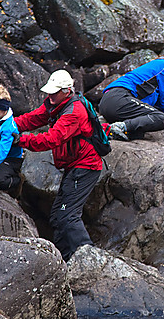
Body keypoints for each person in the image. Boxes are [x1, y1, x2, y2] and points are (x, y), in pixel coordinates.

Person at [15, 70, 102, 261]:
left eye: (54, 92)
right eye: (49, 92)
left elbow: (51, 139)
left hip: (86, 167)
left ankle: (89, 258)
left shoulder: (74, 113)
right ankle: (66, 259)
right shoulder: (56, 104)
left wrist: (21, 140)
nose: (49, 96)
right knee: (58, 216)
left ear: (67, 90)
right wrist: (8, 125)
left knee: (67, 215)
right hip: (75, 165)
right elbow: (33, 118)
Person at [99, 46, 164, 141]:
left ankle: (114, 130)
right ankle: (118, 128)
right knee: (162, 119)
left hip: (108, 104)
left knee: (140, 130)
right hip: (119, 98)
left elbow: (161, 106)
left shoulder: (154, 76)